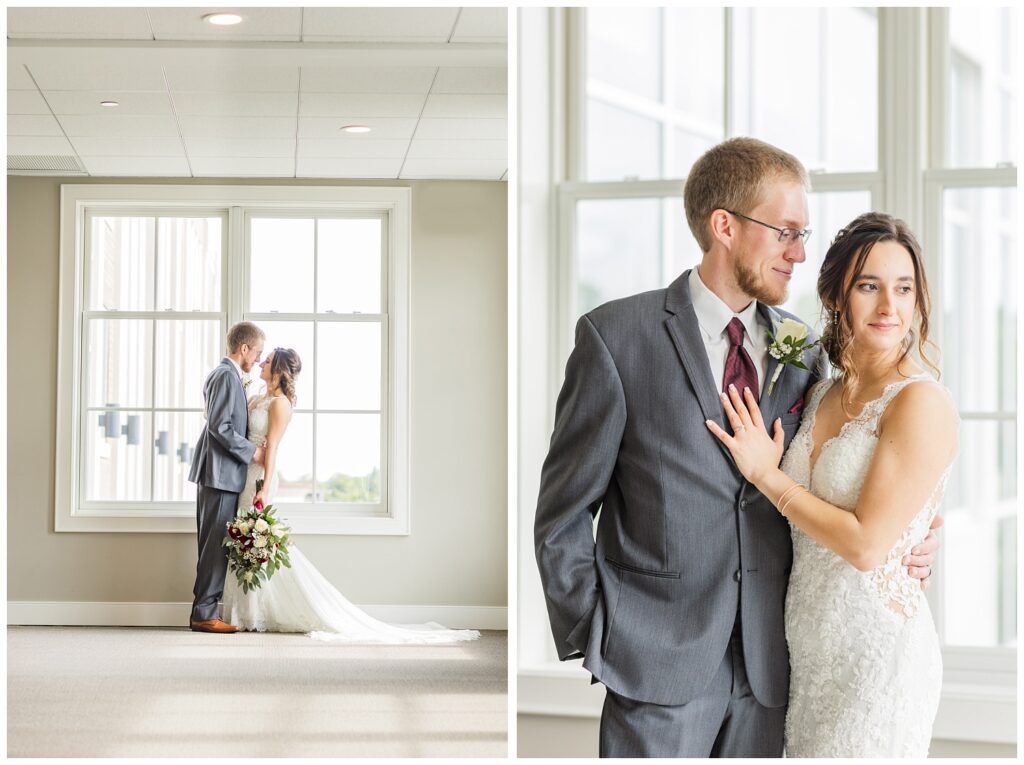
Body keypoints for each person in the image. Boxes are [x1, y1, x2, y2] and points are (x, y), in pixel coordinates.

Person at [533, 137, 941, 757]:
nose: (800, 253)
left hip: (775, 667)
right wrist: (597, 632)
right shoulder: (616, 338)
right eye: (785, 232)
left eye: (804, 235)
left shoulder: (803, 350)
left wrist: (916, 536)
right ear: (724, 225)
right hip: (654, 664)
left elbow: (861, 466)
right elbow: (562, 512)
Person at [706, 212, 953, 756]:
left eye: (904, 288)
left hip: (877, 658)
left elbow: (867, 546)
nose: (889, 306)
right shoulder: (820, 390)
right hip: (807, 656)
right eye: (869, 286)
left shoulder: (920, 401)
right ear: (838, 295)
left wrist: (769, 477)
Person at [221, 347, 480, 644]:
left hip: (259, 477)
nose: (261, 363)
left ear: (279, 370)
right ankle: (247, 611)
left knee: (258, 541)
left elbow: (274, 448)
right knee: (245, 540)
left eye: (266, 361)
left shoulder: (280, 404)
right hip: (242, 475)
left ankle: (255, 613)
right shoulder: (256, 397)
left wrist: (264, 488)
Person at [188, 321, 266, 634]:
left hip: (221, 473)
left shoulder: (230, 376)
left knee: (214, 546)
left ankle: (204, 610)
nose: (258, 359)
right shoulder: (225, 375)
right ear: (243, 348)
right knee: (213, 548)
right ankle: (204, 614)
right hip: (219, 473)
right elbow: (220, 427)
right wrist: (253, 452)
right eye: (257, 352)